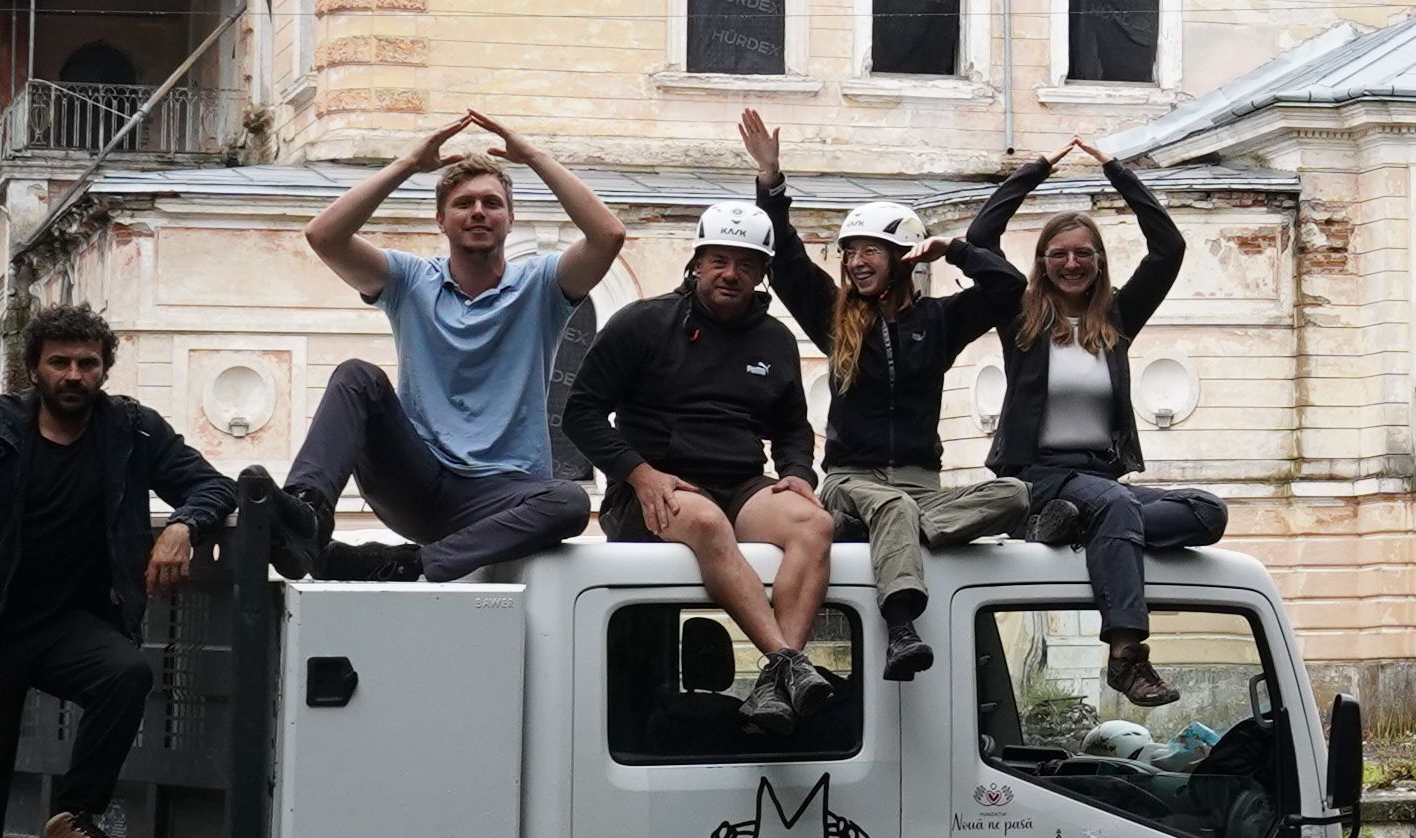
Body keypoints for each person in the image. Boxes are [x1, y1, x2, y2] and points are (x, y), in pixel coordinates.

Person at [0, 303, 238, 838]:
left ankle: (72, 820)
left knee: (127, 674)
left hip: (73, 626)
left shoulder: (132, 431)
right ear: (35, 369)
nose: (73, 375)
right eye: (59, 362)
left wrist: (184, 524)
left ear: (104, 370)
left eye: (87, 363)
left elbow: (212, 485)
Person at [255, 109, 615, 580]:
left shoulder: (542, 286)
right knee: (357, 375)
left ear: (510, 219)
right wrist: (407, 164)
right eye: (465, 204)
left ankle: (406, 565)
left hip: (500, 495)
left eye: (492, 203)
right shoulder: (409, 280)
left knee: (569, 502)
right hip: (416, 481)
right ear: (441, 221)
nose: (479, 212)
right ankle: (304, 514)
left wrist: (535, 157)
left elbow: (608, 234)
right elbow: (324, 235)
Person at [733, 114, 1020, 686]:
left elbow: (1010, 288)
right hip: (849, 482)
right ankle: (902, 627)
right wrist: (771, 180)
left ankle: (904, 535)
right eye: (849, 252)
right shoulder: (834, 319)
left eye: (871, 250)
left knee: (1016, 495)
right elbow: (787, 260)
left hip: (920, 486)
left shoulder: (937, 321)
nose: (857, 261)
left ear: (903, 257)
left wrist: (955, 249)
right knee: (891, 507)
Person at [562, 201, 841, 731]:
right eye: (718, 260)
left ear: (763, 274)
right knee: (708, 523)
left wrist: (799, 472)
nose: (730, 274)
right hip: (653, 483)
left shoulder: (775, 340)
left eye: (746, 264)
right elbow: (580, 413)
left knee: (816, 523)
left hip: (740, 483)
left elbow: (790, 427)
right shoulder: (642, 323)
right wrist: (638, 473)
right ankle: (789, 664)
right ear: (696, 263)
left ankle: (774, 683)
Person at [977, 149, 1221, 709]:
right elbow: (982, 237)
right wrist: (1034, 172)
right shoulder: (1020, 316)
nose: (1071, 263)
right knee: (1114, 506)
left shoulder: (1115, 320)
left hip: (1098, 478)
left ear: (1099, 261)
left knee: (1208, 511)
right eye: (1058, 254)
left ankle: (1072, 528)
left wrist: (1118, 172)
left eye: (1083, 253)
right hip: (1037, 473)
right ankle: (1127, 655)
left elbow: (1169, 249)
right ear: (1041, 262)